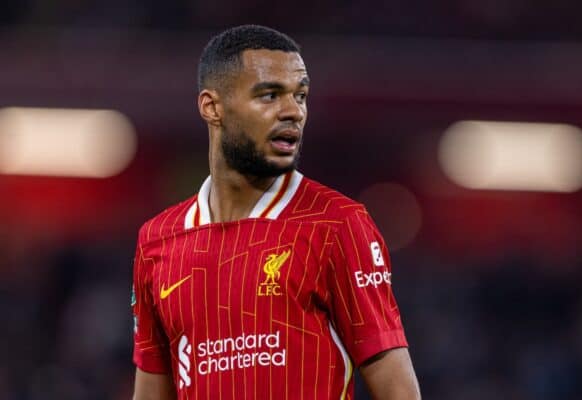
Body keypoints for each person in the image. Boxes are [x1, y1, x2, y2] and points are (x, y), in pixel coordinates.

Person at [131, 25, 420, 400]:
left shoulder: (337, 224)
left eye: (300, 96)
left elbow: (398, 389)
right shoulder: (157, 240)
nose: (293, 111)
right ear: (212, 107)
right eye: (269, 95)